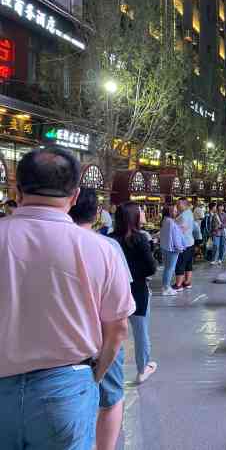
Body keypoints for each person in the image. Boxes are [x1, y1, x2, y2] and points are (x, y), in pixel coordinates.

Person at [0, 147, 134, 450]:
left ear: (16, 190)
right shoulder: (99, 249)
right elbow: (118, 328)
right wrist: (95, 374)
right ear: (74, 196)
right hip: (65, 389)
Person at [69, 189, 132, 450]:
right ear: (96, 214)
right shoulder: (107, 246)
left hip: (66, 343)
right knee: (111, 399)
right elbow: (120, 315)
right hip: (102, 339)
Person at [111, 203, 159, 386]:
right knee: (141, 332)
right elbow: (151, 268)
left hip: (115, 292)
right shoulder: (140, 239)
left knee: (113, 332)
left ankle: (111, 368)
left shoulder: (109, 239)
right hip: (137, 291)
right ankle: (142, 369)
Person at [160, 204, 186, 296]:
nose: (176, 212)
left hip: (165, 247)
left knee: (167, 268)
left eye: (176, 211)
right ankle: (166, 288)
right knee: (170, 269)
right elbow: (175, 237)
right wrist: (180, 247)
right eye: (174, 211)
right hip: (172, 249)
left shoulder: (165, 220)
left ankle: (165, 286)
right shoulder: (170, 222)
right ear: (169, 212)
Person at [174, 197, 195, 291]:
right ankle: (187, 282)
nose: (177, 206)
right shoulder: (189, 213)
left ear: (184, 204)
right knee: (188, 264)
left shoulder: (183, 216)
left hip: (184, 243)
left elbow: (181, 229)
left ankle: (178, 285)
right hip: (190, 242)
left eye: (179, 204)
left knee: (180, 264)